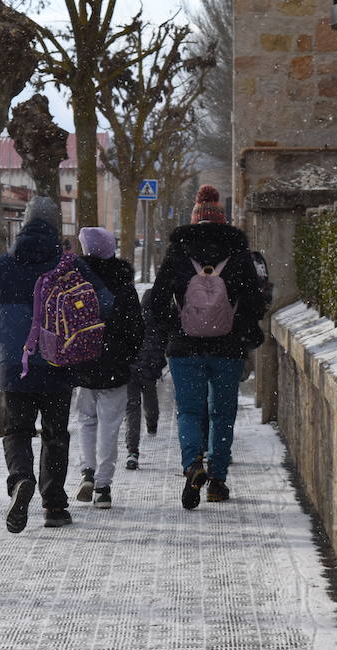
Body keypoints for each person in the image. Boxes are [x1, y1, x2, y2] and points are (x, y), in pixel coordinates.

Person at [0, 197, 110, 533]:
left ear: (23, 223)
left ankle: (21, 479)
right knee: (55, 434)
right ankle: (54, 505)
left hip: (13, 366)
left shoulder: (0, 267)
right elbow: (103, 302)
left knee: (17, 430)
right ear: (55, 226)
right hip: (57, 362)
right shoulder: (69, 266)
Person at [143, 184, 268, 510]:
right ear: (222, 220)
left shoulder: (178, 252)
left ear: (194, 218)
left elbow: (156, 301)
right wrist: (241, 329)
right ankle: (218, 481)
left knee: (189, 411)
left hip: (185, 348)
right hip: (228, 348)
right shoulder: (239, 253)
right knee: (222, 413)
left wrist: (175, 326)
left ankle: (193, 463)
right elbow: (255, 302)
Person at [71, 227, 143, 508]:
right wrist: (126, 355)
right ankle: (102, 486)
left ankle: (87, 471)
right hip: (114, 364)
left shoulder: (75, 281)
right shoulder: (123, 284)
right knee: (110, 426)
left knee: (86, 421)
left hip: (83, 361)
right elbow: (136, 328)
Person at [124, 299, 166, 471]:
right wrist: (157, 366)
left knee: (132, 408)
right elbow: (160, 349)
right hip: (148, 371)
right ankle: (152, 422)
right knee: (150, 398)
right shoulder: (157, 323)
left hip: (130, 372)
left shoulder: (130, 319)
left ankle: (132, 450)